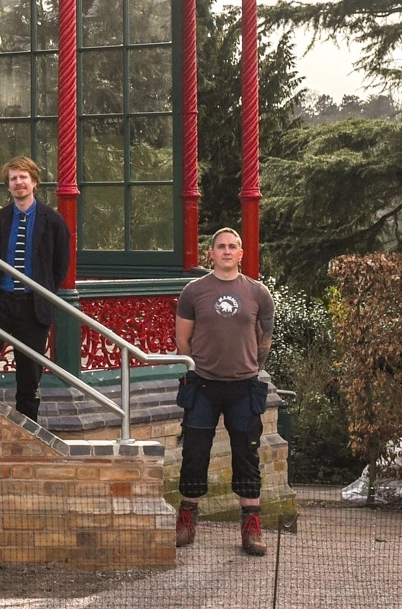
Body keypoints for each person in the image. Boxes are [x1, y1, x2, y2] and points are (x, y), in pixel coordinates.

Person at [174, 227, 276, 557]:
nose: (227, 251)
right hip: (202, 384)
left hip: (245, 387)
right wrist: (202, 366)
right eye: (221, 247)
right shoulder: (193, 292)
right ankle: (187, 518)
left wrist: (249, 366)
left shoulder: (259, 293)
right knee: (194, 454)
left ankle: (251, 526)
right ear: (212, 253)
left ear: (241, 253)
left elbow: (264, 340)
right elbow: (183, 341)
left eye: (233, 246)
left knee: (246, 456)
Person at [0, 156, 71, 423]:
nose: (18, 183)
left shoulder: (53, 221)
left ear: (34, 182)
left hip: (33, 305)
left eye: (23, 177)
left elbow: (60, 264)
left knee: (29, 375)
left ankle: (27, 431)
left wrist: (43, 292)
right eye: (13, 179)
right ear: (8, 185)